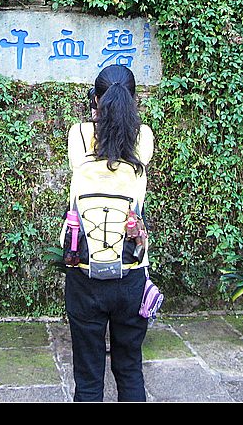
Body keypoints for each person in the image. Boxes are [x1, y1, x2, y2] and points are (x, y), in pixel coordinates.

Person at [60, 64, 154, 402]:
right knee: (129, 368)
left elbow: (83, 158)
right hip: (132, 272)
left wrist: (97, 114)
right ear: (133, 100)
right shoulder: (143, 137)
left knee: (88, 376)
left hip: (84, 273)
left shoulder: (79, 134)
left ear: (96, 99)